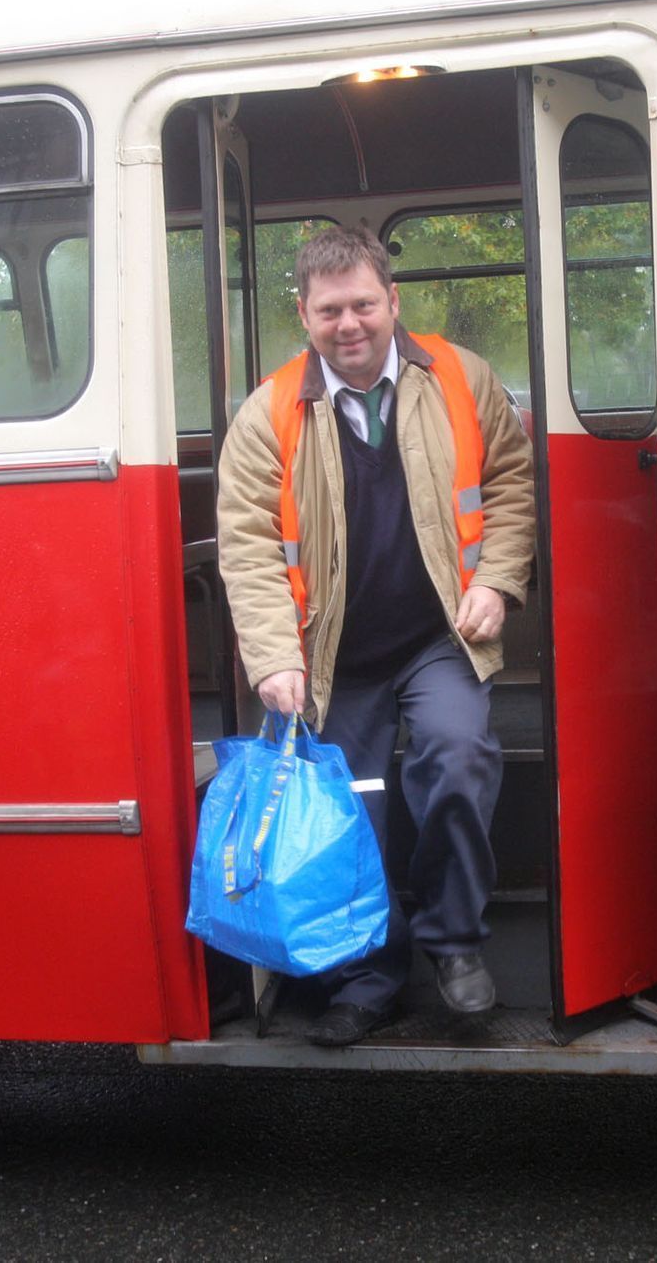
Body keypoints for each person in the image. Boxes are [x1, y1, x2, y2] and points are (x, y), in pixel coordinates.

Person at [215, 225, 536, 1047]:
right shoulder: (268, 414)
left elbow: (510, 483)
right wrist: (274, 659)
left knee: (458, 763)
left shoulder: (462, 378)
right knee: (350, 817)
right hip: (330, 657)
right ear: (305, 315)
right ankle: (368, 977)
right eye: (330, 311)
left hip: (438, 638)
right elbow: (248, 549)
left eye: (363, 304)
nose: (349, 323)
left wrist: (498, 581)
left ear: (393, 302)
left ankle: (454, 943)